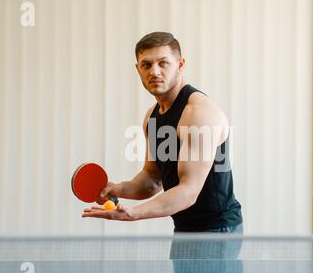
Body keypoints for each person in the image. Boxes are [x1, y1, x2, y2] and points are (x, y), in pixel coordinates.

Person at [82, 32, 243, 235]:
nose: (154, 71)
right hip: (184, 227)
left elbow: (188, 191)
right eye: (146, 65)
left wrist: (134, 213)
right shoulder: (152, 117)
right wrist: (117, 189)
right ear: (138, 69)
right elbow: (152, 179)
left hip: (217, 229)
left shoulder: (199, 114)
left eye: (163, 63)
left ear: (180, 65)